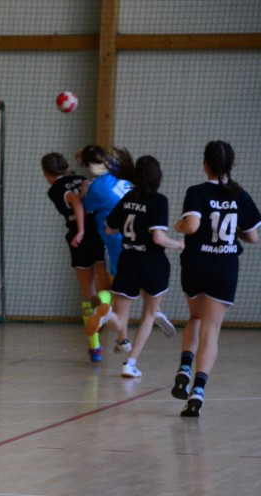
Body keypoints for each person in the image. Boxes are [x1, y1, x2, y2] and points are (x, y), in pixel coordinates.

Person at [170, 140, 259, 417]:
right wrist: (234, 232)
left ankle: (185, 367)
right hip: (224, 267)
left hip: (196, 263)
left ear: (205, 164)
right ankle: (197, 391)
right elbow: (253, 237)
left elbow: (192, 225)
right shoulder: (240, 195)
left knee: (195, 318)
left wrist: (178, 225)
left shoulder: (197, 192)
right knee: (211, 331)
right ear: (231, 165)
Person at [84, 150, 183, 378]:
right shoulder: (159, 201)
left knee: (121, 317)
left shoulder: (128, 198)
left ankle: (106, 316)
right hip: (153, 264)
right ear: (158, 177)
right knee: (149, 314)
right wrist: (178, 244)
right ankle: (130, 363)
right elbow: (158, 238)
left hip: (127, 260)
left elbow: (109, 228)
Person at [41, 152, 111, 362]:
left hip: (80, 235)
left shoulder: (55, 189)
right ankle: (103, 308)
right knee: (104, 281)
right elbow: (91, 190)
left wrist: (80, 230)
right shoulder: (81, 179)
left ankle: (95, 346)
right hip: (99, 230)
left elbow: (76, 202)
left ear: (46, 173)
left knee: (87, 289)